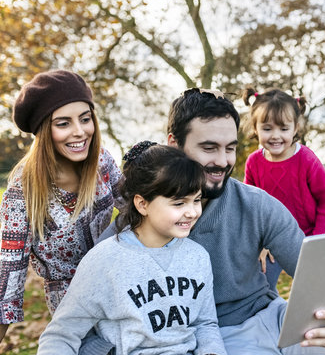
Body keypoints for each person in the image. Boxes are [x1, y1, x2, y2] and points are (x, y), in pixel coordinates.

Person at [100, 88, 325, 354]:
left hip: (268, 317)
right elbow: (95, 298)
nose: (224, 161)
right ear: (174, 144)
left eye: (230, 148)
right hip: (205, 336)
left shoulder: (256, 203)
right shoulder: (143, 216)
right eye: (209, 148)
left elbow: (316, 268)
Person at [38, 142, 226, 355]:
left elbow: (205, 324)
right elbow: (62, 334)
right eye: (179, 203)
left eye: (197, 200)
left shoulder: (197, 256)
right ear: (142, 204)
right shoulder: (104, 260)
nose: (192, 212)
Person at [0, 70, 121, 342]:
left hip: (120, 282)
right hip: (73, 308)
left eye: (85, 119)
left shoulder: (101, 161)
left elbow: (141, 207)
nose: (80, 132)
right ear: (44, 131)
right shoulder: (24, 191)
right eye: (63, 123)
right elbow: (9, 277)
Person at [242, 88, 325, 291]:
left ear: (295, 129)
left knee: (316, 289)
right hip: (271, 241)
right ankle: (267, 317)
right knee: (259, 286)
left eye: (283, 129)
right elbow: (250, 209)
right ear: (256, 128)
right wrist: (259, 244)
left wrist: (318, 241)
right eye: (267, 129)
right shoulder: (254, 163)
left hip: (308, 237)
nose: (276, 136)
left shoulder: (306, 159)